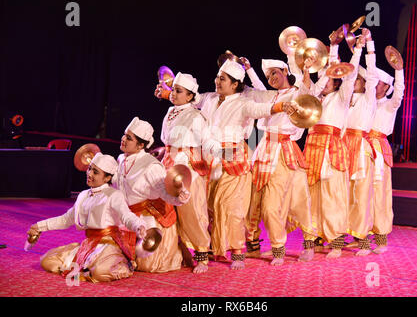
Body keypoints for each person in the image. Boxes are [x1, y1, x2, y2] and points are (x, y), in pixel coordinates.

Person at [159, 59, 296, 270]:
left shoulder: (243, 103)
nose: (217, 81)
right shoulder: (210, 99)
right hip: (211, 158)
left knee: (232, 208)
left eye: (222, 79)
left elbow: (263, 109)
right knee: (212, 207)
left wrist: (281, 106)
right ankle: (215, 248)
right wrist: (166, 93)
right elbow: (191, 99)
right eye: (217, 77)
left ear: (235, 84)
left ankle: (239, 252)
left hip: (234, 158)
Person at [240, 58, 317, 264]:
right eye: (268, 76)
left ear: (285, 71)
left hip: (284, 151)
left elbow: (307, 92)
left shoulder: (296, 94)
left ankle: (288, 246)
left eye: (275, 73)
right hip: (263, 148)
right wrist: (249, 69)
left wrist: (306, 70)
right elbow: (258, 89)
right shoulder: (273, 96)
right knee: (253, 201)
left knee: (291, 202)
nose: (272, 78)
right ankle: (253, 244)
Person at [27, 153, 148, 283]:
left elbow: (127, 216)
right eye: (90, 169)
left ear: (107, 178)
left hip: (108, 245)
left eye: (95, 172)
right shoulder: (83, 195)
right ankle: (85, 267)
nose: (89, 174)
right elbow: (66, 219)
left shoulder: (113, 195)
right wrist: (39, 226)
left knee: (99, 272)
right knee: (47, 261)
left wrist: (138, 225)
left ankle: (119, 263)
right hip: (89, 244)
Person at [303, 34, 366, 259]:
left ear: (336, 81)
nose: (324, 80)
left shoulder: (341, 98)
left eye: (328, 78)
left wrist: (353, 49)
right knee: (311, 197)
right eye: (322, 77)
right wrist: (331, 47)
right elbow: (310, 88)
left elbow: (348, 76)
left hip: (332, 149)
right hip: (312, 148)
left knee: (333, 195)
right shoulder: (314, 100)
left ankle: (337, 241)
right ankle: (312, 240)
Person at [158, 72, 220, 274]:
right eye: (173, 90)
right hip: (168, 162)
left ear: (190, 96)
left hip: (188, 166)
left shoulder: (196, 116)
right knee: (165, 210)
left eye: (178, 91)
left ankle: (202, 254)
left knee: (192, 210)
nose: (173, 94)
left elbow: (206, 140)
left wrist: (221, 152)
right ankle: (175, 253)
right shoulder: (170, 112)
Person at [113, 117, 190, 273]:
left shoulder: (151, 165)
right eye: (124, 135)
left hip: (150, 216)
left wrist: (179, 197)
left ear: (141, 145)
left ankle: (177, 251)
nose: (123, 139)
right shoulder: (121, 158)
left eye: (129, 138)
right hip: (128, 215)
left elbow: (164, 191)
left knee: (148, 265)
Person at [342, 29, 378, 256]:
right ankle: (354, 235)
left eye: (358, 79)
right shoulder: (345, 99)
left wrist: (368, 45)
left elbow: (372, 74)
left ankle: (365, 240)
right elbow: (347, 75)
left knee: (363, 195)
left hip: (362, 150)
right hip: (344, 147)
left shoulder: (368, 98)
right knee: (349, 195)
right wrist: (354, 49)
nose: (354, 81)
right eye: (353, 78)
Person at [366, 56, 405, 254]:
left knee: (380, 194)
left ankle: (381, 239)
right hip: (363, 149)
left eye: (379, 83)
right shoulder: (366, 103)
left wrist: (399, 70)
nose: (374, 85)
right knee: (362, 193)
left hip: (379, 149)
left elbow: (399, 94)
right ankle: (361, 235)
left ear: (386, 87)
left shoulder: (390, 104)